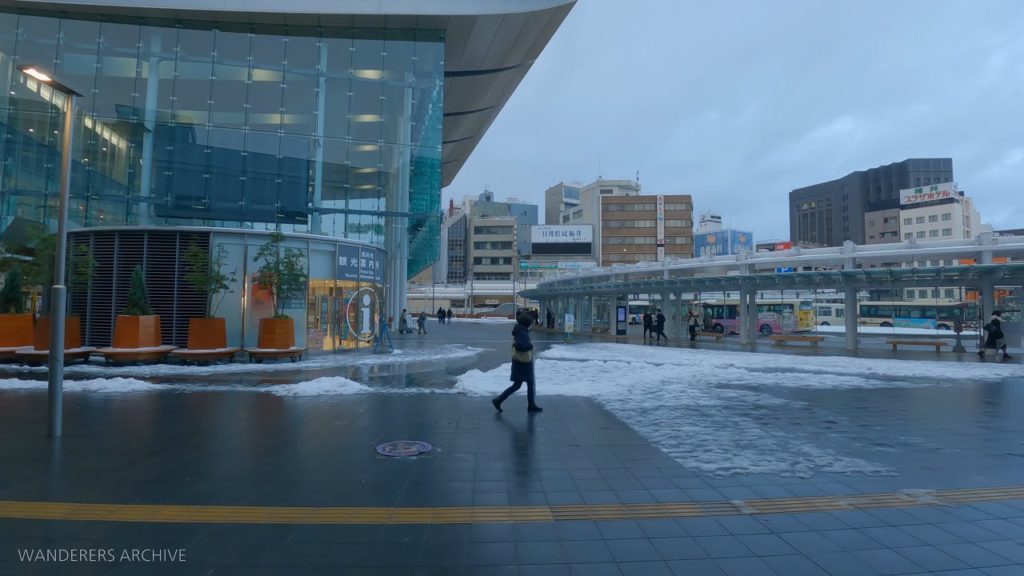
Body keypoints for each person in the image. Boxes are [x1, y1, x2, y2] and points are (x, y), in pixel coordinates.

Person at [492, 314, 543, 413]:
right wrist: (530, 345)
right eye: (530, 323)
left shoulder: (519, 330)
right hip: (523, 364)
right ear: (527, 324)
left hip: (520, 363)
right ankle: (499, 400)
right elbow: (521, 346)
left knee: (521, 384)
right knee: (525, 384)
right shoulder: (522, 332)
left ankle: (500, 400)